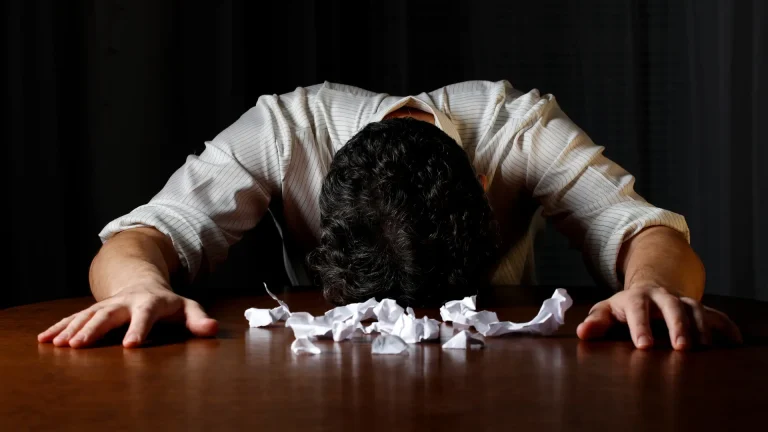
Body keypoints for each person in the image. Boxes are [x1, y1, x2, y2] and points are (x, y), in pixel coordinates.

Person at [38, 81, 741, 350]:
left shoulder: (518, 130)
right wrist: (138, 286)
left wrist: (653, 282)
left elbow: (640, 227)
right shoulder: (283, 131)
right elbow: (144, 233)